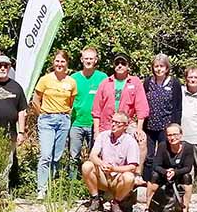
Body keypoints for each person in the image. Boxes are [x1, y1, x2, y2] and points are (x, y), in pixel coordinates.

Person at [91, 52, 148, 182]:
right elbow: (96, 109)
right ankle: (102, 180)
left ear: (128, 66)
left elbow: (141, 106)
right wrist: (96, 130)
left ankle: (137, 174)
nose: (120, 65)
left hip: (126, 123)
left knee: (142, 140)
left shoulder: (135, 82)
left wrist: (139, 128)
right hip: (107, 123)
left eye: (123, 63)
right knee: (101, 148)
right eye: (117, 63)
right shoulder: (105, 83)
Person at [32, 50, 77, 199]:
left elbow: (71, 102)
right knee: (45, 155)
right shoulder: (45, 80)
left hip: (63, 120)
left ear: (67, 64)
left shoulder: (71, 82)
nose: (59, 64)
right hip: (47, 120)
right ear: (53, 62)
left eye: (62, 61)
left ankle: (52, 186)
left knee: (56, 156)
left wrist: (65, 116)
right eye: (57, 61)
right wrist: (42, 115)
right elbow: (36, 100)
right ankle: (41, 189)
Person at [82, 112, 139, 212]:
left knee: (129, 177)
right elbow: (93, 155)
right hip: (103, 175)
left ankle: (116, 202)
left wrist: (114, 169)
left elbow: (132, 167)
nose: (113, 125)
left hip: (118, 178)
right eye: (112, 121)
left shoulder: (131, 142)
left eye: (118, 123)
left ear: (125, 126)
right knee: (87, 166)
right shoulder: (103, 136)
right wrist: (101, 163)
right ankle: (95, 198)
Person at [141, 54, 182, 182]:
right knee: (149, 156)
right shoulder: (148, 82)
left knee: (165, 155)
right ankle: (147, 181)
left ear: (167, 68)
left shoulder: (174, 83)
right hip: (150, 126)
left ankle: (165, 183)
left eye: (162, 66)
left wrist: (176, 126)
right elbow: (142, 103)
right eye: (156, 66)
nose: (159, 69)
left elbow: (178, 106)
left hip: (166, 127)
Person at [144, 123, 195, 212]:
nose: (172, 137)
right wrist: (165, 172)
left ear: (181, 135)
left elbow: (188, 167)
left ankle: (185, 210)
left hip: (179, 174)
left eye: (175, 134)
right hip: (164, 175)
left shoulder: (188, 147)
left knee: (187, 177)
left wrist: (175, 172)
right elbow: (156, 165)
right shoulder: (163, 146)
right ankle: (147, 207)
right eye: (169, 135)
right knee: (153, 176)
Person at [69, 47, 106, 178]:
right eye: (86, 58)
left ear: (96, 60)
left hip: (94, 124)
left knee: (94, 156)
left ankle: (92, 184)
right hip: (76, 123)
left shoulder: (103, 78)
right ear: (81, 59)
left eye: (91, 58)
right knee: (74, 156)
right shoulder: (73, 78)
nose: (88, 61)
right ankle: (71, 185)